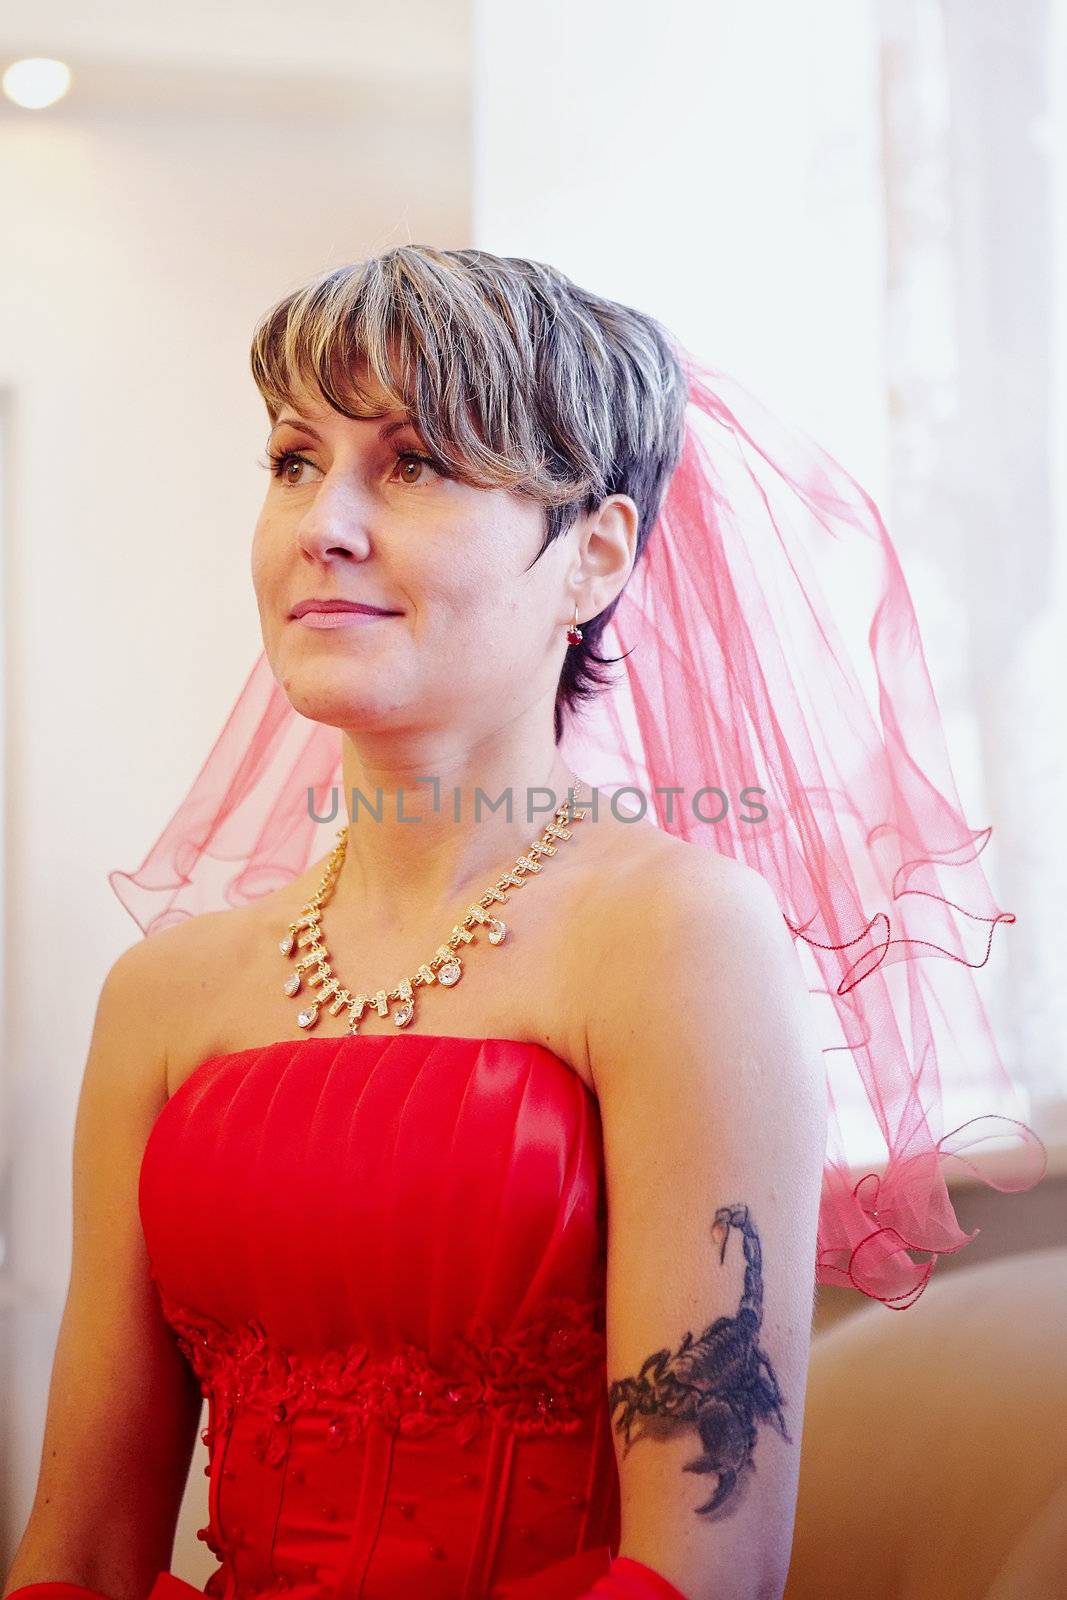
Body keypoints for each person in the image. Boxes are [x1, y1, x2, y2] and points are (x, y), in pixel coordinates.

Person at [2, 246, 1044, 1600]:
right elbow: (78, 1546)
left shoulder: (677, 941)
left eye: (416, 462)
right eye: (292, 461)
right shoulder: (163, 993)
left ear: (593, 556)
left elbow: (700, 1572)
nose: (323, 522)